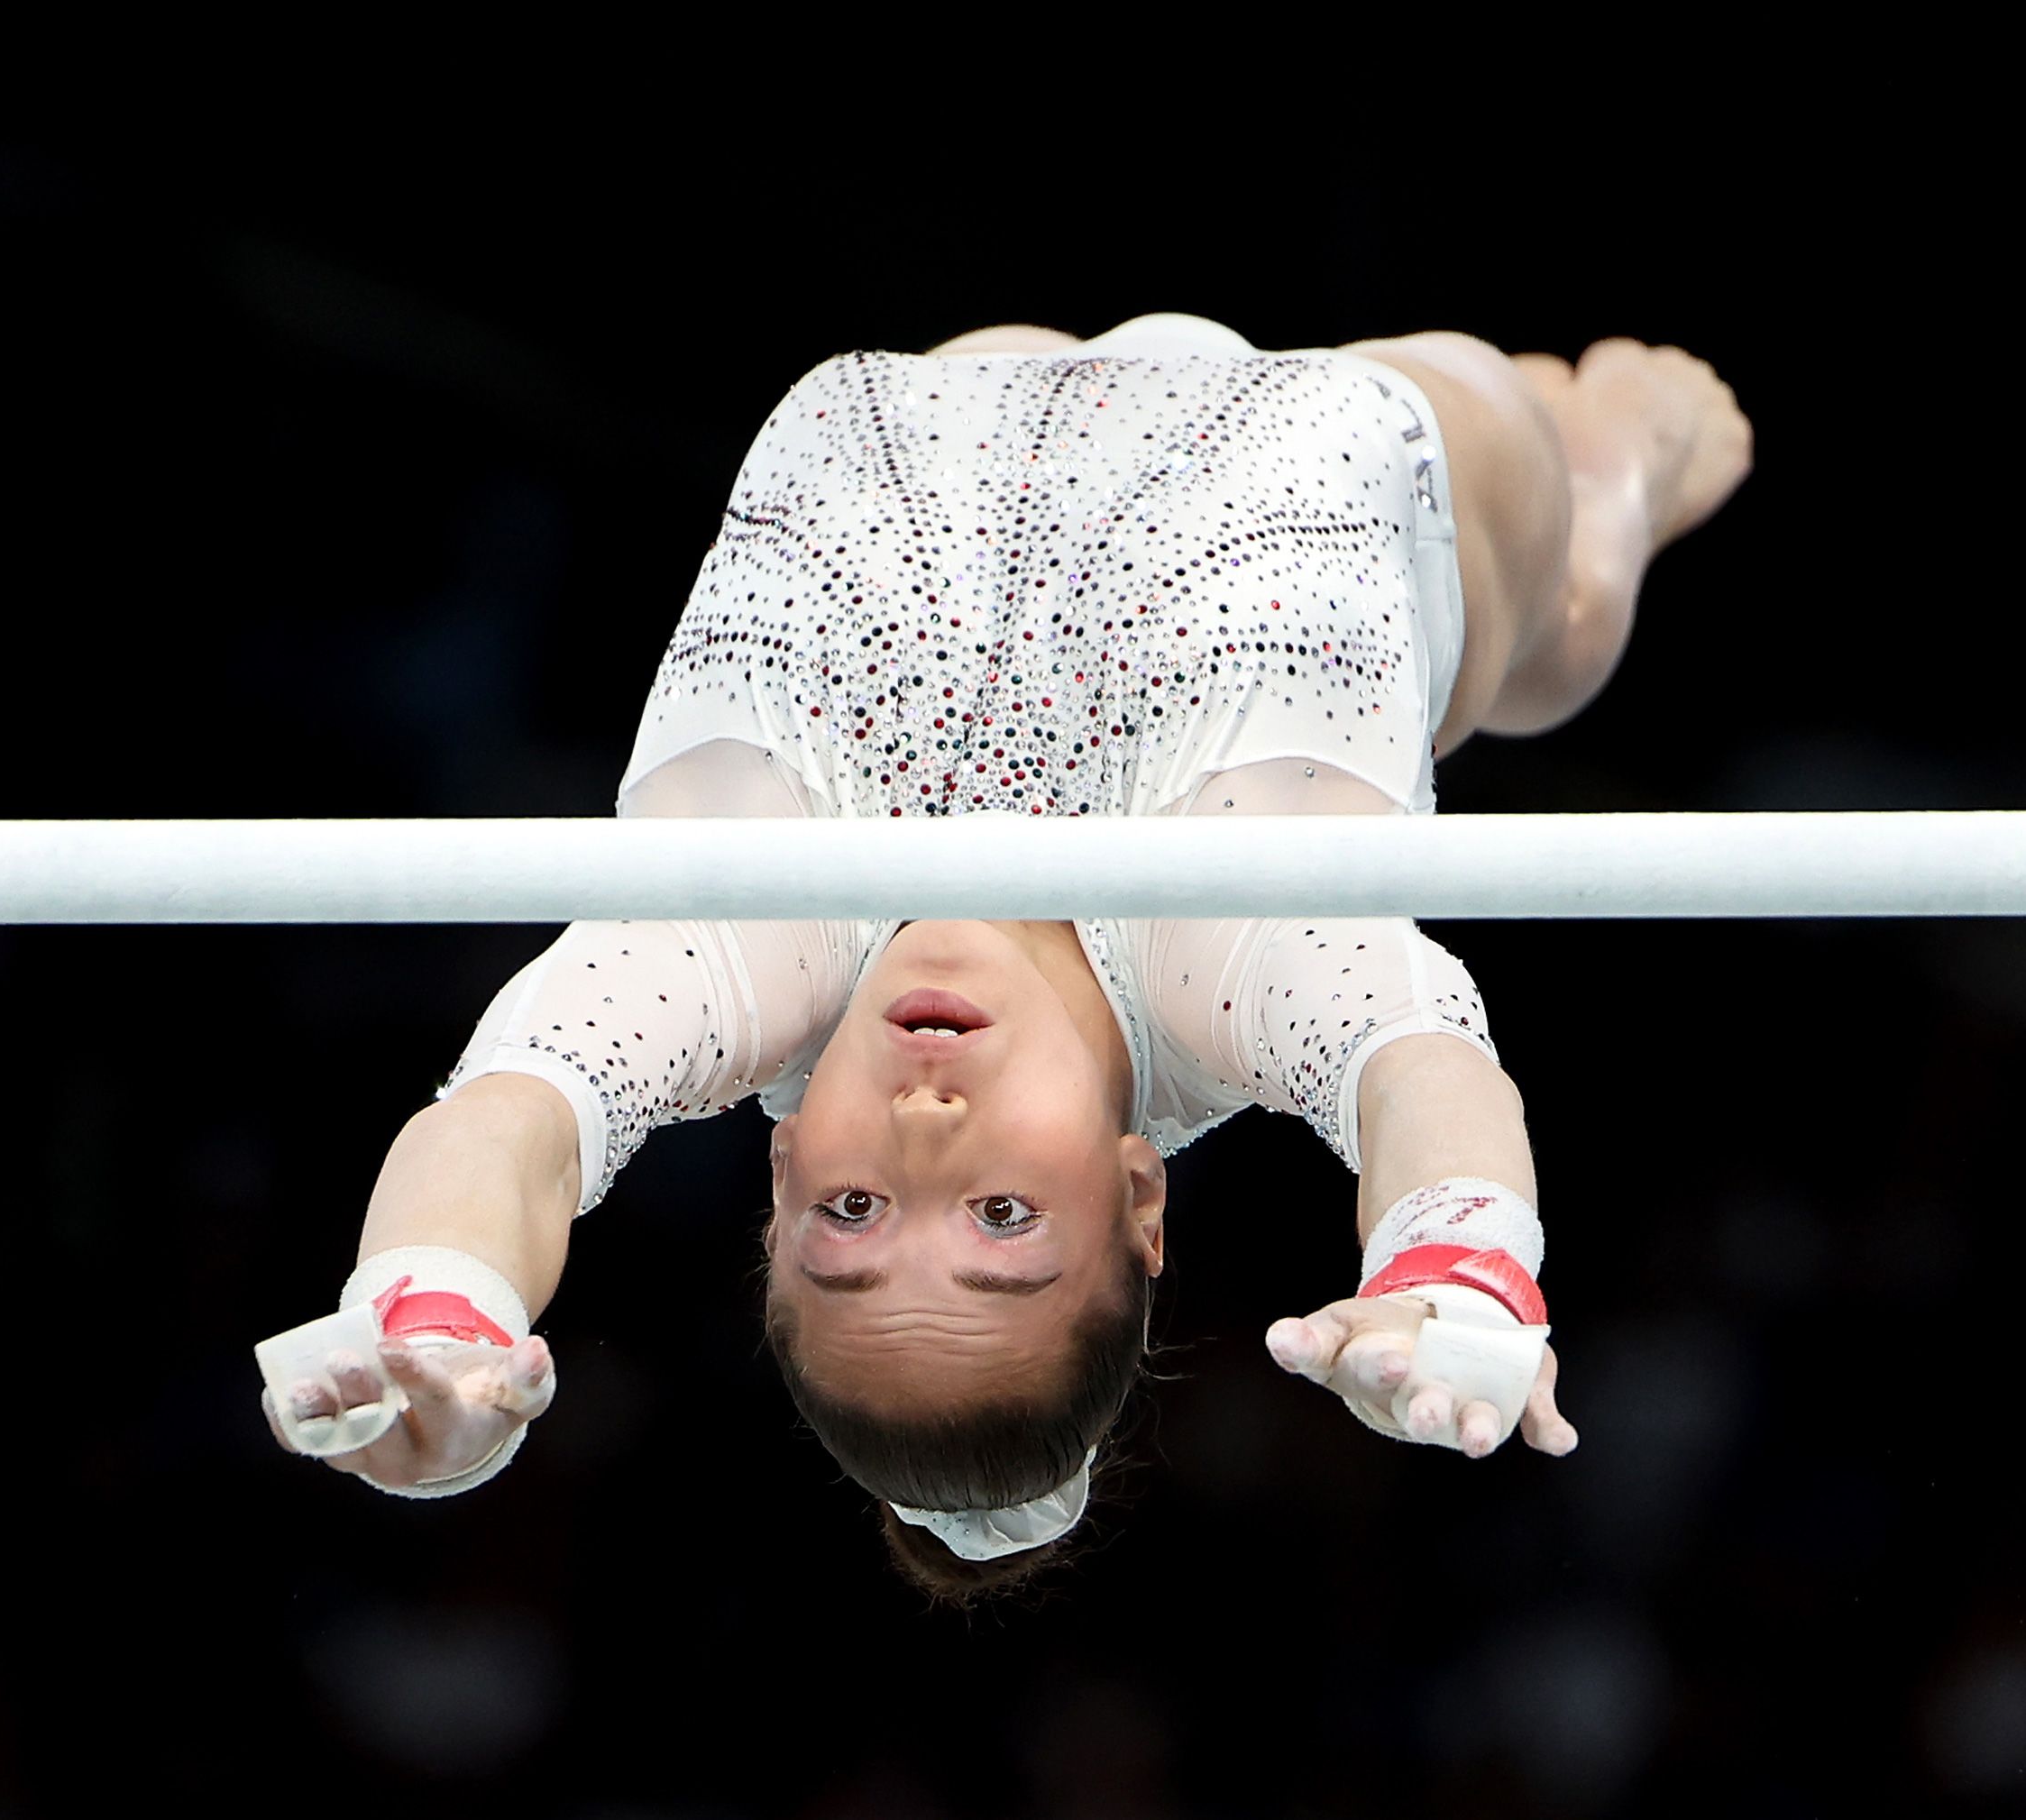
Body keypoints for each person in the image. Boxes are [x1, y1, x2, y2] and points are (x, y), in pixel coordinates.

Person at [261, 312, 1752, 1602]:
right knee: (1548, 619)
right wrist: (1458, 1263)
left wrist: (437, 1311)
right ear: (1139, 1194)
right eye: (1001, 1217)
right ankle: (1613, 501)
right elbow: (1420, 1076)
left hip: (950, 401)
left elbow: (510, 1126)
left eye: (850, 1212)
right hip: (1372, 446)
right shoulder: (1220, 962)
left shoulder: (745, 953)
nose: (922, 1132)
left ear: (774, 1192)